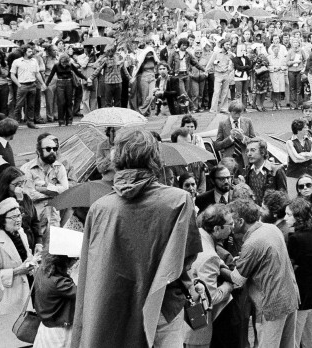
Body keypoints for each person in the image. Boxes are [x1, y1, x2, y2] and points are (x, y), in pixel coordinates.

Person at [72, 129, 202, 348]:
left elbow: (90, 271)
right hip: (164, 306)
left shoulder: (100, 209)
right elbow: (186, 257)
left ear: (117, 158)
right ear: (154, 158)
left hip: (115, 308)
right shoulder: (179, 201)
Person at [228, 199, 299, 348]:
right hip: (289, 297)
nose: (230, 225)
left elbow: (237, 279)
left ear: (240, 221)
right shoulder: (271, 228)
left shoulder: (251, 243)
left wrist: (224, 267)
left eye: (231, 221)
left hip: (271, 306)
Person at [186, 204, 236, 348]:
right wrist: (229, 286)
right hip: (197, 328)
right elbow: (210, 298)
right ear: (216, 229)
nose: (232, 227)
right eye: (229, 224)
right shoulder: (210, 257)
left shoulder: (198, 235)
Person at [0, 198, 37, 346]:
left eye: (19, 215)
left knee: (24, 330)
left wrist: (33, 260)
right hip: (8, 296)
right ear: (3, 220)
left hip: (27, 287)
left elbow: (26, 254)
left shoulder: (20, 232)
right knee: (10, 336)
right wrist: (17, 271)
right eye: (13, 217)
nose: (18, 219)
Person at [286, 197, 312, 348]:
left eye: (289, 215)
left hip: (301, 298)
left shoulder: (295, 238)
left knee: (294, 340)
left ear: (298, 217)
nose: (285, 218)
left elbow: (290, 267)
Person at [22, 132, 69, 236]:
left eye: (54, 149)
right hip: (35, 219)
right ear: (38, 151)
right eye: (48, 149)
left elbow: (65, 190)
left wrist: (44, 188)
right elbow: (29, 194)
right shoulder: (27, 168)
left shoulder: (59, 167)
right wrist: (54, 193)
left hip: (53, 219)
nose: (52, 152)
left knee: (53, 249)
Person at [33, 250, 79, 348]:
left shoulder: (42, 271)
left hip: (46, 328)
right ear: (65, 261)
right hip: (60, 331)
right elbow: (82, 293)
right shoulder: (60, 283)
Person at [0, 166, 42, 253]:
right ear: (7, 184)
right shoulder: (1, 201)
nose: (21, 186)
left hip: (31, 243)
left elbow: (35, 221)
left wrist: (38, 242)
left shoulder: (26, 197)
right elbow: (18, 222)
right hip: (15, 246)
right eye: (17, 184)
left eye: (23, 182)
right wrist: (19, 200)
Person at [45, 53, 87, 126]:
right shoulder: (56, 65)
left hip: (69, 83)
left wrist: (86, 78)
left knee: (69, 102)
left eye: (65, 63)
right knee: (61, 102)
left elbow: (77, 73)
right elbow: (51, 75)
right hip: (60, 83)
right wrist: (46, 84)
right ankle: (61, 121)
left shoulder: (70, 65)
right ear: (60, 61)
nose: (64, 65)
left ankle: (69, 120)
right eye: (62, 63)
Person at [242, 138, 286, 204]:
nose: (249, 154)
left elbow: (283, 196)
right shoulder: (248, 170)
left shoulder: (276, 170)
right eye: (247, 151)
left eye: (253, 150)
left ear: (262, 152)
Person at [215, 101, 255, 172]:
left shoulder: (248, 122)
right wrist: (230, 138)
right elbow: (217, 146)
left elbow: (255, 142)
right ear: (230, 111)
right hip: (229, 161)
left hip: (245, 159)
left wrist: (243, 138)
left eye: (239, 113)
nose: (237, 115)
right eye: (235, 113)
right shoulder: (222, 124)